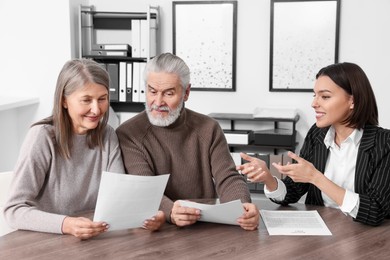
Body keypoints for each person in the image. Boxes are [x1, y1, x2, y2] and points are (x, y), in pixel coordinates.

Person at [3, 59, 164, 239]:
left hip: (94, 240)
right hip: (47, 242)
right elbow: (14, 210)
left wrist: (147, 216)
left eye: (102, 99)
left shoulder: (108, 136)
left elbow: (118, 201)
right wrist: (66, 224)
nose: (96, 110)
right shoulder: (42, 137)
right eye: (86, 100)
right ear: (64, 101)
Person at [116, 53, 259, 230]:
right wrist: (170, 210)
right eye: (152, 91)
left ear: (186, 93)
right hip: (157, 229)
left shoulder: (209, 128)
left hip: (203, 225)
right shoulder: (128, 133)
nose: (158, 102)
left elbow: (227, 177)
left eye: (169, 93)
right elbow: (145, 189)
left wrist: (242, 207)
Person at [237, 62, 390, 226]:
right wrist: (268, 178)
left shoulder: (384, 143)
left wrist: (315, 177)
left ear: (352, 101)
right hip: (321, 233)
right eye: (314, 95)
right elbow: (293, 192)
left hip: (366, 239)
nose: (314, 104)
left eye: (325, 96)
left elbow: (375, 211)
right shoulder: (317, 134)